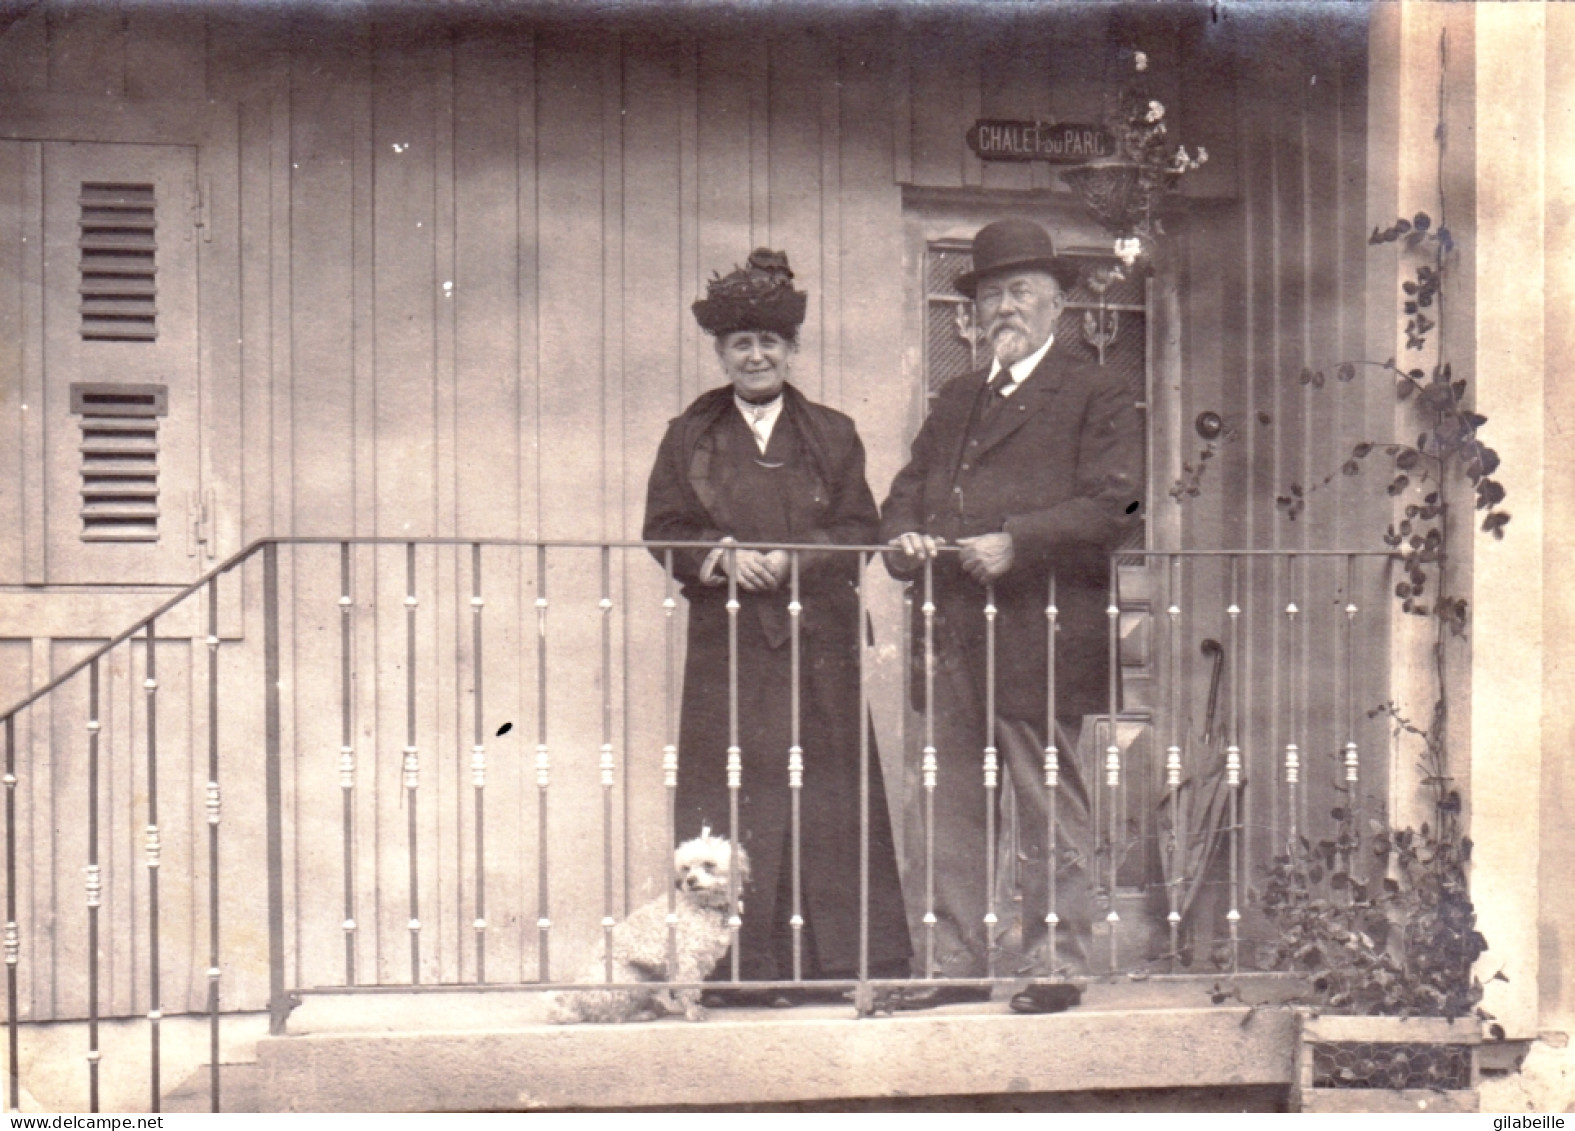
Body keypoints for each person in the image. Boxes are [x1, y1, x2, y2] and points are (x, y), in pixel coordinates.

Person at [879, 218, 1142, 1009]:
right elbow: (906, 489)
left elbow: (1117, 503)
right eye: (989, 293)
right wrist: (904, 536)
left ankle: (1055, 963)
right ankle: (953, 961)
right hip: (951, 629)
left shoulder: (1099, 388)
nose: (1003, 307)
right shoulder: (959, 397)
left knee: (1046, 799)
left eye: (1020, 290)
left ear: (1056, 303)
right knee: (948, 797)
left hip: (1045, 629)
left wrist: (1015, 542)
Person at [643, 248, 912, 1000]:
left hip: (816, 639)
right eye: (740, 343)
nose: (755, 355)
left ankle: (837, 965)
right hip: (728, 644)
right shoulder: (689, 434)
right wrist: (722, 560)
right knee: (735, 789)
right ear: (722, 353)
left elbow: (859, 525)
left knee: (825, 792)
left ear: (791, 350)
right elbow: (662, 527)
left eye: (769, 342)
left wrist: (793, 559)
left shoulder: (831, 431)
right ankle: (737, 970)